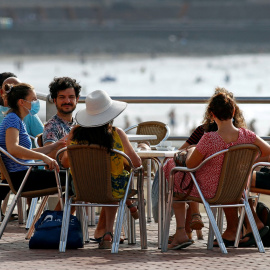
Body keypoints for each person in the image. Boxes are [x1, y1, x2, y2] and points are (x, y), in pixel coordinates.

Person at [163, 88, 270, 250]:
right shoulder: (247, 135)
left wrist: (191, 150)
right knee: (177, 173)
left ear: (212, 114)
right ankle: (232, 230)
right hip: (235, 190)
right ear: (233, 111)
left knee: (173, 171)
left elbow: (191, 165)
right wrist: (248, 161)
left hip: (211, 192)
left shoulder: (209, 138)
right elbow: (268, 151)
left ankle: (182, 231)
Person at [61, 90, 142, 249]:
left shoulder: (74, 133)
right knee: (115, 180)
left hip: (80, 189)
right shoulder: (117, 134)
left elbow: (64, 163)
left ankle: (109, 227)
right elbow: (137, 163)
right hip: (111, 190)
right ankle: (109, 232)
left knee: (110, 180)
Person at [0, 83, 67, 206]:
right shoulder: (12, 119)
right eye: (33, 100)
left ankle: (59, 217)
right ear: (22, 102)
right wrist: (44, 157)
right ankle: (61, 218)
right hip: (22, 178)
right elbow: (13, 149)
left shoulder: (17, 119)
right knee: (74, 181)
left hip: (25, 175)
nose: (36, 103)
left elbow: (25, 151)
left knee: (72, 179)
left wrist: (54, 146)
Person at [42, 76, 81, 154]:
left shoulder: (78, 125)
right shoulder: (51, 126)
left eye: (71, 97)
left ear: (77, 100)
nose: (67, 101)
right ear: (55, 100)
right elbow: (50, 156)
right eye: (62, 97)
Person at [0, 74, 44, 139]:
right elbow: (43, 137)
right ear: (21, 101)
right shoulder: (22, 116)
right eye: (33, 100)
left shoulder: (12, 115)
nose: (34, 102)